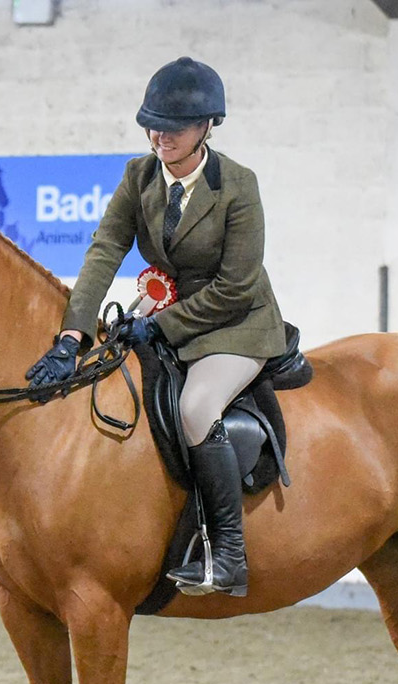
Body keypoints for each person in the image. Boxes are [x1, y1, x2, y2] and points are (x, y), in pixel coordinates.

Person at [25, 56, 287, 598]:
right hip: (167, 320)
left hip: (235, 325)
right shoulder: (138, 176)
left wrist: (162, 326)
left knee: (195, 408)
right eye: (153, 125)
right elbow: (103, 252)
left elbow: (236, 287)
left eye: (175, 128)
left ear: (207, 127)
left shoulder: (238, 185)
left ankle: (228, 554)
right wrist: (71, 337)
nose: (160, 137)